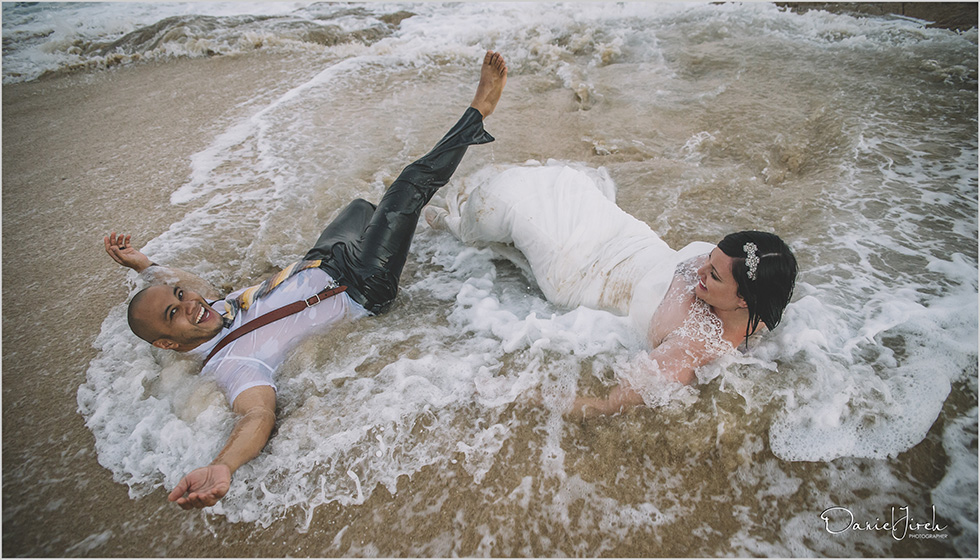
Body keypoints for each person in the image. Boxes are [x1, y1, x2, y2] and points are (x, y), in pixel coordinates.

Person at [104, 51, 508, 509]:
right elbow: (257, 415)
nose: (189, 304)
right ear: (167, 344)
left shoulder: (213, 307)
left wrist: (143, 265)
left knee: (360, 208)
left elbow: (182, 282)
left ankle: (408, 226)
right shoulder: (233, 365)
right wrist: (225, 465)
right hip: (361, 285)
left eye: (180, 296)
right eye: (173, 314)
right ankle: (480, 111)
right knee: (407, 187)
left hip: (321, 263)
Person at [424, 161, 797, 419]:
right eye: (709, 258)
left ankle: (458, 228)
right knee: (551, 185)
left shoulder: (688, 350)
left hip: (582, 272)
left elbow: (605, 404)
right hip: (622, 233)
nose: (701, 269)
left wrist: (515, 392)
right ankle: (472, 228)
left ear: (744, 299)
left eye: (713, 275)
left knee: (497, 207)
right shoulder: (753, 292)